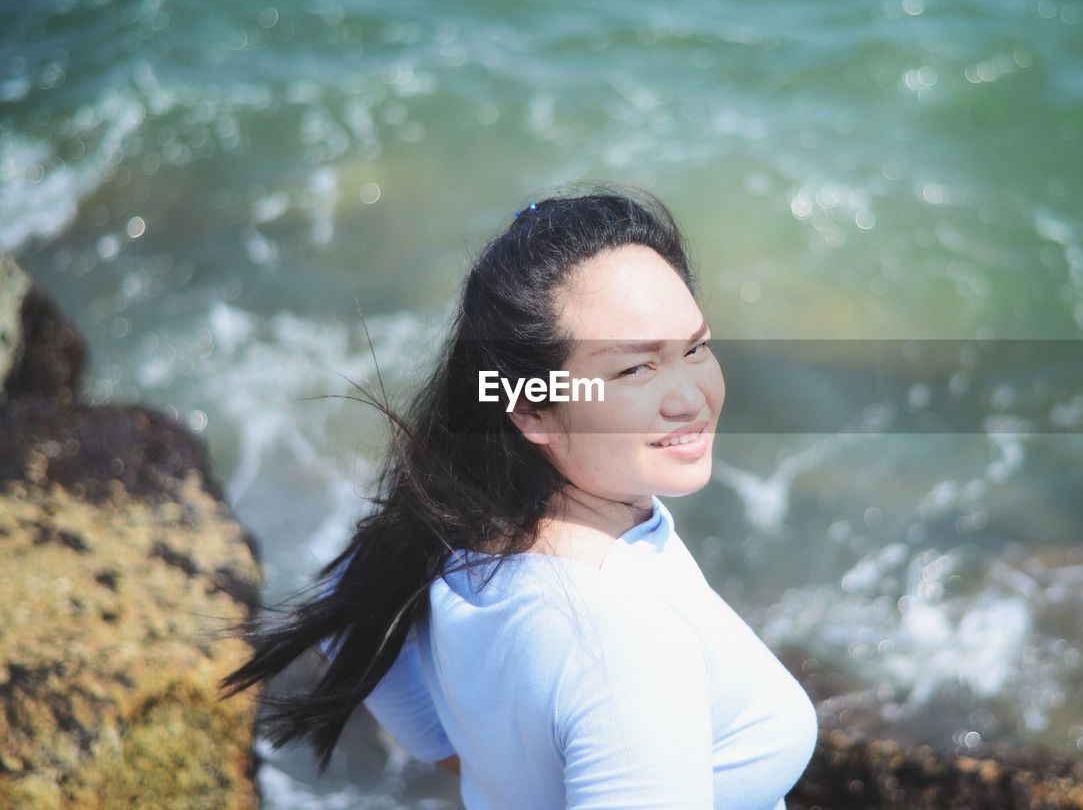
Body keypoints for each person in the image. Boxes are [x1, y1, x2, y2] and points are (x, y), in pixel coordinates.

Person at [218, 185, 818, 809]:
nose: (690, 398)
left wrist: (471, 763)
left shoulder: (460, 534)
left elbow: (349, 596)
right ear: (532, 407)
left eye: (695, 348)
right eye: (633, 369)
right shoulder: (624, 643)